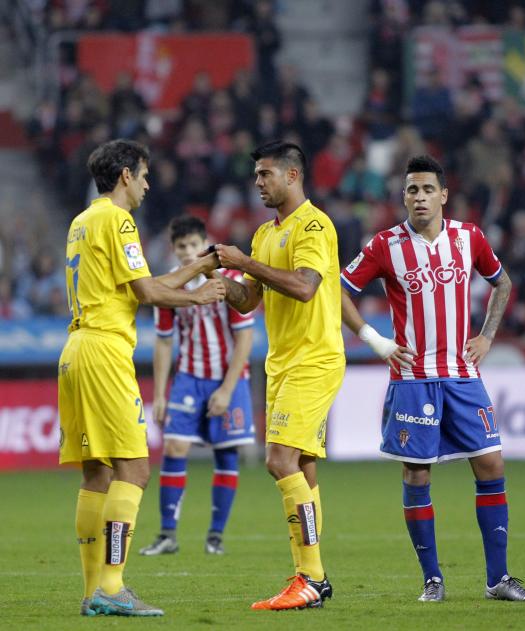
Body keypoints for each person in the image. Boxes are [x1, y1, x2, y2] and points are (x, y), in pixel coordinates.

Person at [340, 154, 525, 603]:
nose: (419, 196)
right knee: (417, 476)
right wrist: (374, 340)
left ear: (444, 195)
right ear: (403, 196)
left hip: (463, 376)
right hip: (412, 379)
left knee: (491, 465)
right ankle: (432, 580)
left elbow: (503, 283)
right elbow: (339, 290)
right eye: (412, 189)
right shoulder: (384, 245)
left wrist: (487, 336)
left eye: (428, 188)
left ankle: (498, 579)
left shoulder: (469, 237)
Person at [59, 139, 226, 617]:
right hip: (106, 352)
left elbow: (139, 287)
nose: (149, 183)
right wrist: (200, 294)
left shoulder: (82, 221)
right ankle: (112, 587)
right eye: (145, 174)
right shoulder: (118, 219)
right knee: (134, 469)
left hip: (76, 349)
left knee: (98, 472)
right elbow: (148, 292)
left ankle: (94, 590)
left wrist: (196, 267)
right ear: (126, 176)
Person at [212, 141, 344, 611]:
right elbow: (250, 299)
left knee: (278, 460)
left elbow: (306, 288)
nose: (258, 183)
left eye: (265, 174)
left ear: (292, 175)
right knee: (302, 468)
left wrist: (244, 264)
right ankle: (311, 578)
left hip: (314, 359)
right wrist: (220, 285)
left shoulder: (314, 225)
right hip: (283, 362)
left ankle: (310, 576)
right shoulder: (265, 234)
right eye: (256, 176)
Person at [139, 216, 255, 558]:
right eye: (181, 247)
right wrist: (159, 393)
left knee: (226, 453)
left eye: (193, 245)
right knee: (174, 448)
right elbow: (163, 343)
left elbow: (244, 338)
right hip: (188, 377)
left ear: (204, 243)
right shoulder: (168, 288)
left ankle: (215, 537)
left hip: (228, 378)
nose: (188, 252)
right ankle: (167, 534)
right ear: (173, 250)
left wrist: (226, 389)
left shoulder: (229, 281)